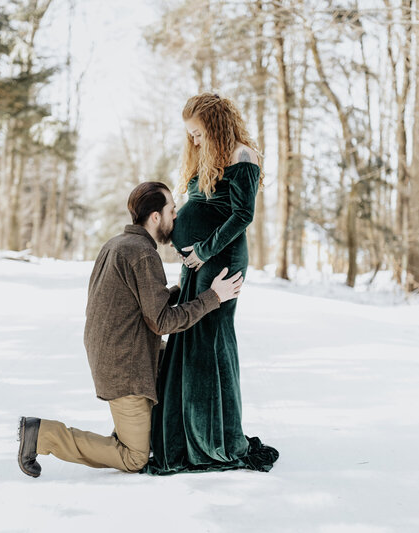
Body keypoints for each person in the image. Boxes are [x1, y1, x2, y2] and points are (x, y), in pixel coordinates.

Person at [18, 181, 244, 477]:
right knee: (134, 456)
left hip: (117, 354)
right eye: (172, 210)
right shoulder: (142, 254)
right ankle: (41, 435)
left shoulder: (118, 244)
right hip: (127, 367)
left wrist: (189, 284)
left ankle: (142, 432)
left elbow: (145, 301)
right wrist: (213, 297)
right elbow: (162, 321)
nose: (176, 217)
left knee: (178, 364)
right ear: (155, 217)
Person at [145, 93, 279, 475]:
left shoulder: (242, 157)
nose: (194, 141)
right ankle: (185, 432)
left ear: (216, 125)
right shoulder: (209, 157)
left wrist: (202, 249)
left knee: (211, 338)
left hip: (221, 258)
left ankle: (215, 436)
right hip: (197, 259)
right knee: (190, 334)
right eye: (190, 135)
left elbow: (242, 215)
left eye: (198, 133)